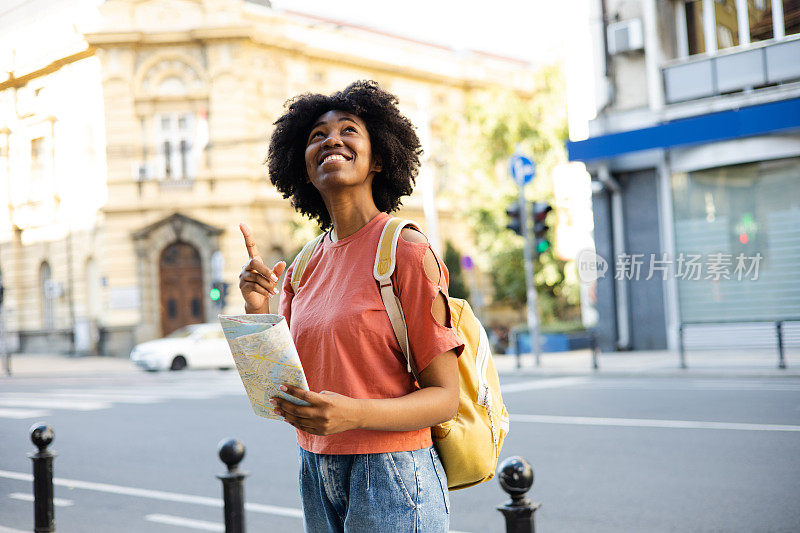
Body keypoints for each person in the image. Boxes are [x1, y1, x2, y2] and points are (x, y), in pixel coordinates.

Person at [237, 80, 464, 532]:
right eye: (317, 136)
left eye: (348, 130)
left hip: (393, 474)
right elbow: (278, 384)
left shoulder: (406, 251)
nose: (332, 140)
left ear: (378, 157)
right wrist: (257, 306)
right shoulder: (302, 266)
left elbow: (445, 399)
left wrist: (351, 414)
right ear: (302, 166)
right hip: (316, 469)